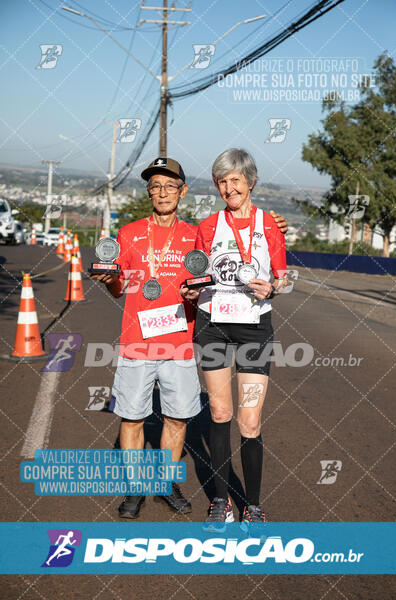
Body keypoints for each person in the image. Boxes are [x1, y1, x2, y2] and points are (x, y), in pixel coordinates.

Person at [92, 156, 288, 521]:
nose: (162, 192)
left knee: (177, 418)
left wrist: (272, 225)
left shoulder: (196, 233)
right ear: (148, 192)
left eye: (169, 186)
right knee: (133, 419)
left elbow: (240, 242)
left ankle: (165, 483)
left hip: (181, 339)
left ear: (182, 191)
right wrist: (110, 281)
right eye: (154, 186)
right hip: (137, 338)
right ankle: (135, 490)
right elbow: (119, 289)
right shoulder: (129, 232)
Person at [188, 148, 288, 530]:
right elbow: (196, 275)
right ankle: (220, 500)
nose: (228, 187)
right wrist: (192, 291)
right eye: (221, 181)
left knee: (249, 420)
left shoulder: (271, 224)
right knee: (219, 414)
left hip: (253, 329)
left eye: (235, 180)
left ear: (249, 181)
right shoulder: (208, 226)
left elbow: (284, 276)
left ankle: (254, 505)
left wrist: (274, 287)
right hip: (214, 324)